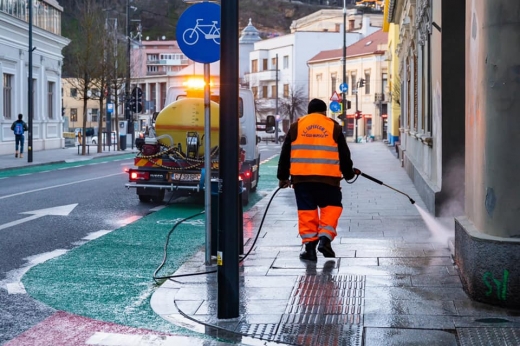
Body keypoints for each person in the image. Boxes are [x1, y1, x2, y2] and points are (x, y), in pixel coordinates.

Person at [277, 99, 356, 262]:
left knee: (307, 212)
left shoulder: (296, 126)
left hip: (302, 180)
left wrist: (283, 177)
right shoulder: (333, 126)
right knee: (332, 208)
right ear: (324, 112)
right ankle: (325, 239)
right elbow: (344, 155)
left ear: (309, 111)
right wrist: (348, 174)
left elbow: (285, 153)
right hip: (329, 180)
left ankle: (310, 250)